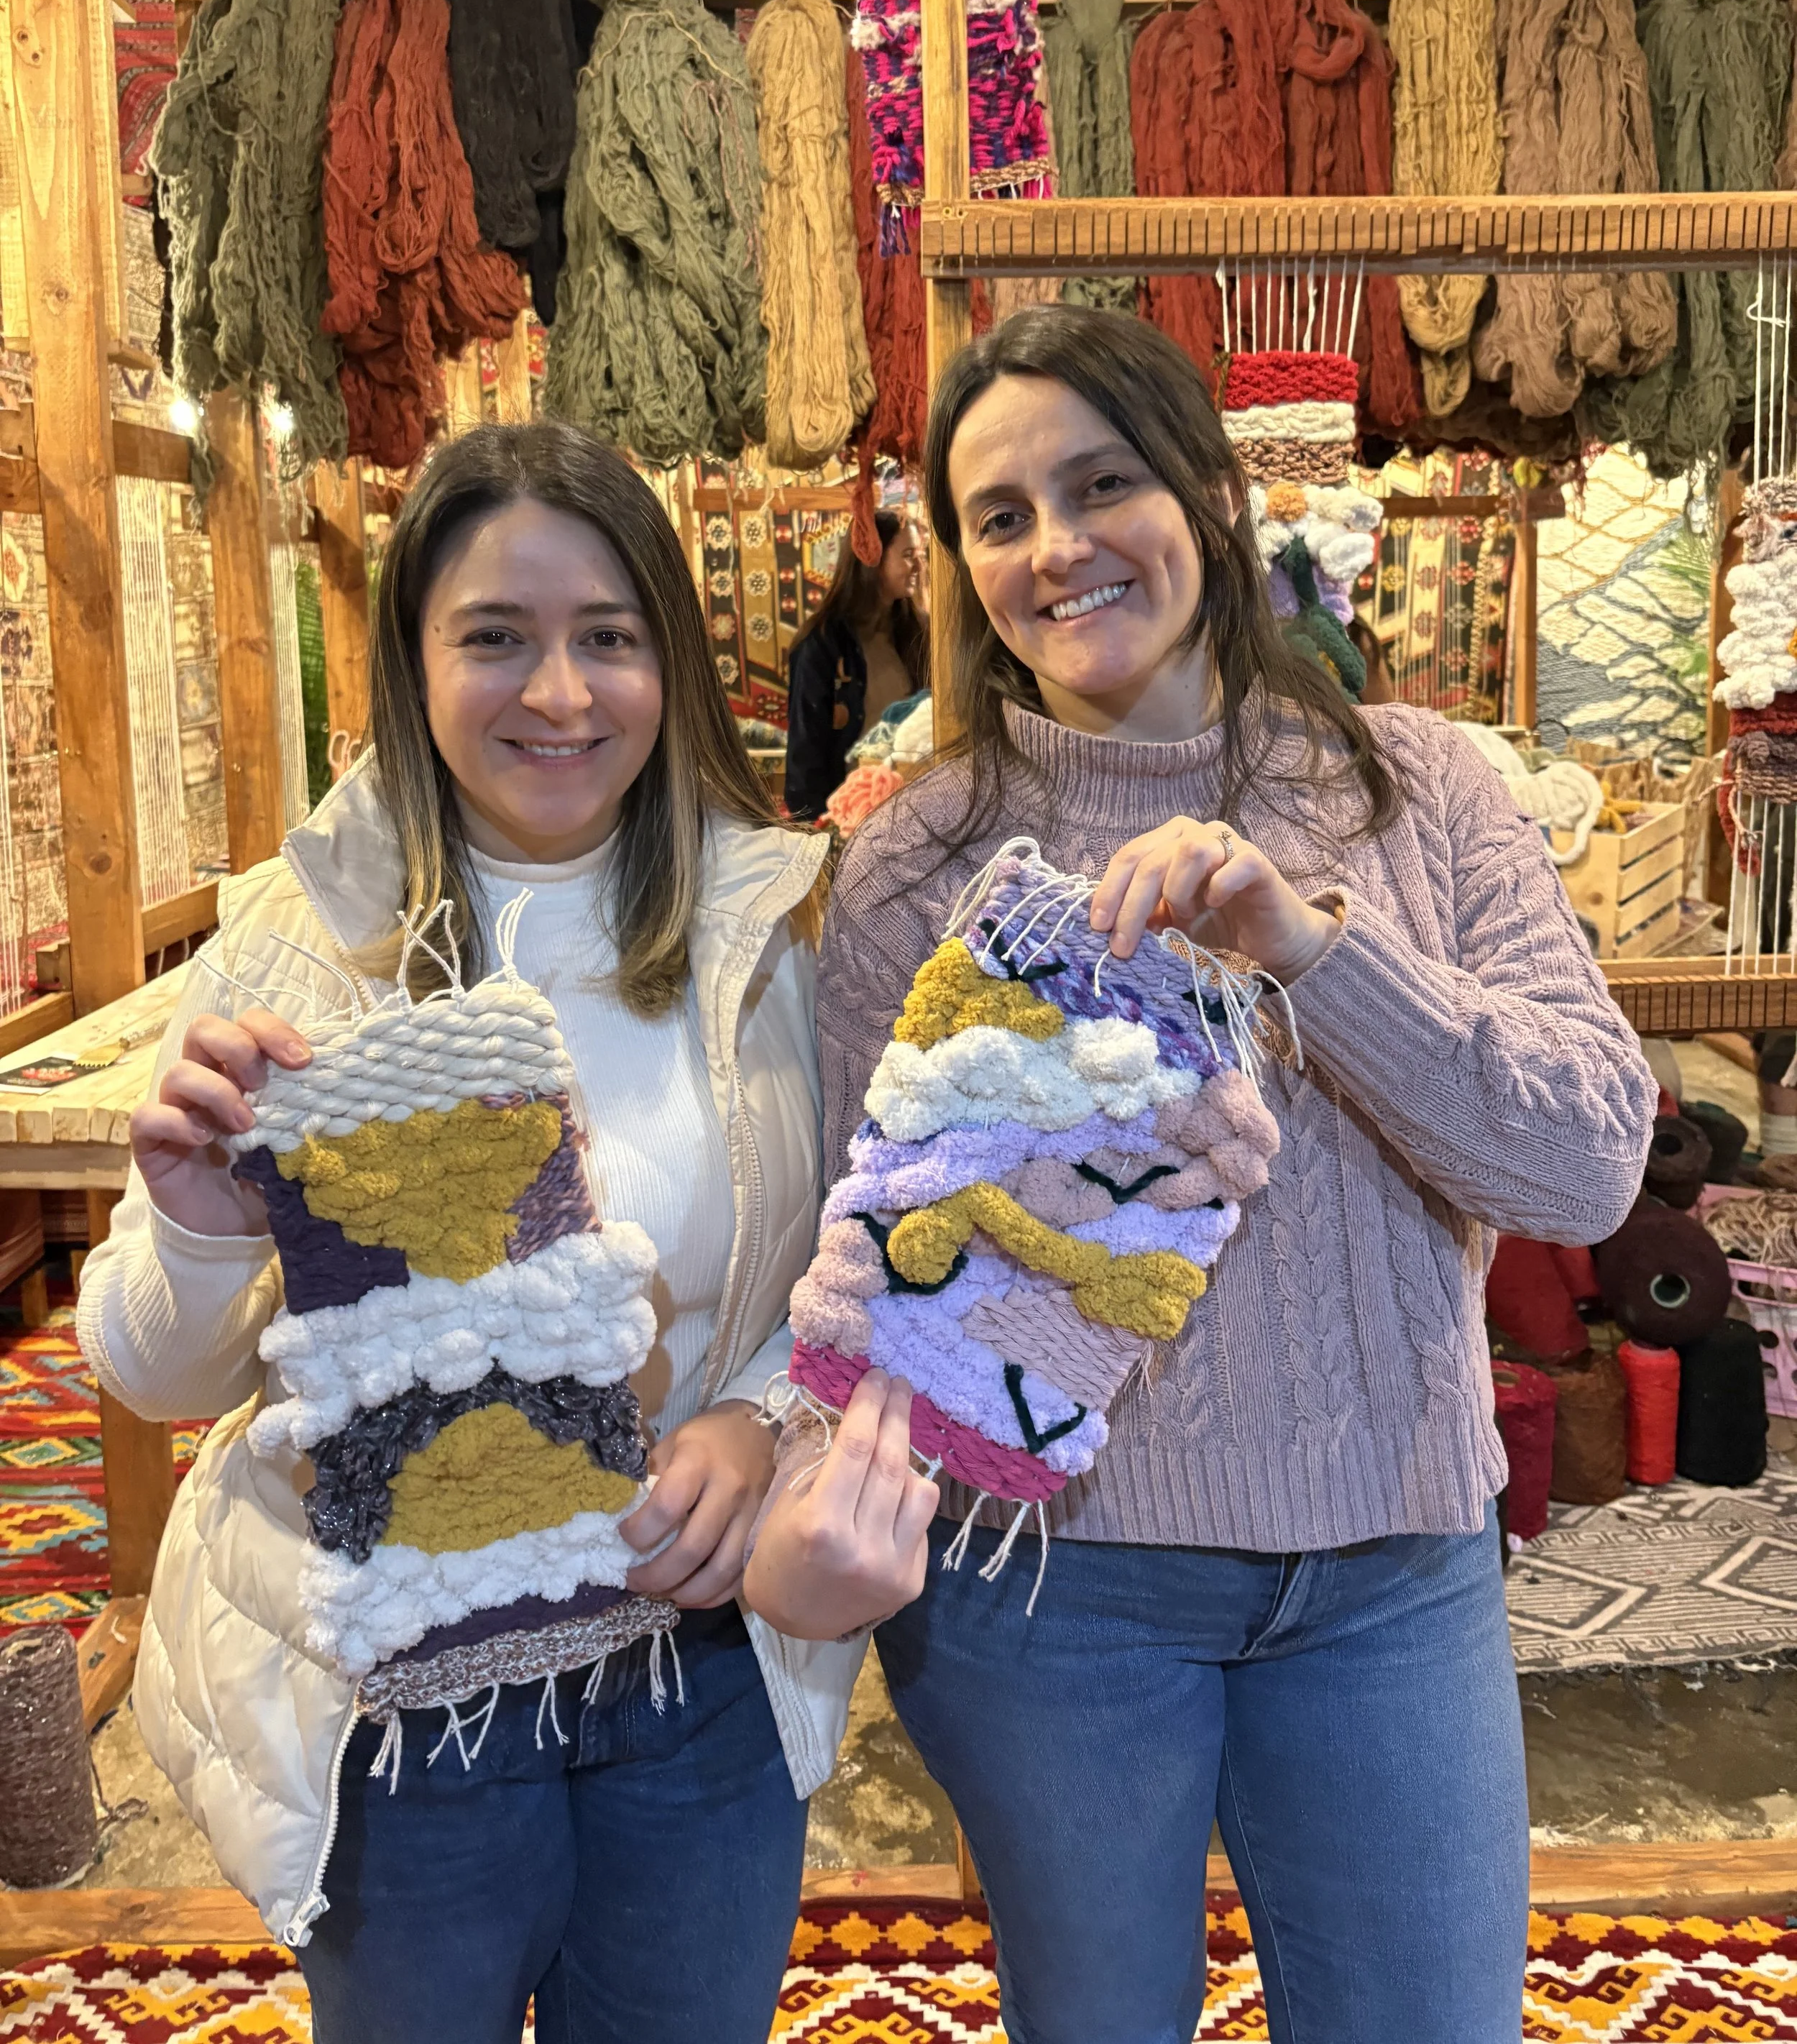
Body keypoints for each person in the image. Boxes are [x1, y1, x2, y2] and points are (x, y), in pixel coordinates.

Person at [745, 307, 1655, 2044]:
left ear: (1216, 499)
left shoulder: (1423, 792)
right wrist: (808, 1499)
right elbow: (856, 1255)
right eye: (999, 515)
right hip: (1047, 1591)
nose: (1058, 546)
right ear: (955, 561)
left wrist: (1307, 945)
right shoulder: (914, 859)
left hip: (1391, 1562)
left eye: (1104, 484)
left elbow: (1591, 1162)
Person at [79, 423, 863, 2044]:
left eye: (608, 638)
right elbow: (156, 1377)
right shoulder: (294, 948)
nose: (559, 695)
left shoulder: (776, 924)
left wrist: (765, 1413)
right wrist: (201, 1228)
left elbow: (863, 1271)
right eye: (495, 637)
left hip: (691, 1670)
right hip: (393, 1710)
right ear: (412, 661)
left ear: (672, 658)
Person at [782, 508, 928, 820]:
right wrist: (818, 840)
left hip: (914, 810)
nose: (919, 565)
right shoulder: (819, 648)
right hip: (850, 817)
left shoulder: (918, 635)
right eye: (907, 555)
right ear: (872, 560)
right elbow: (804, 759)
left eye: (920, 554)